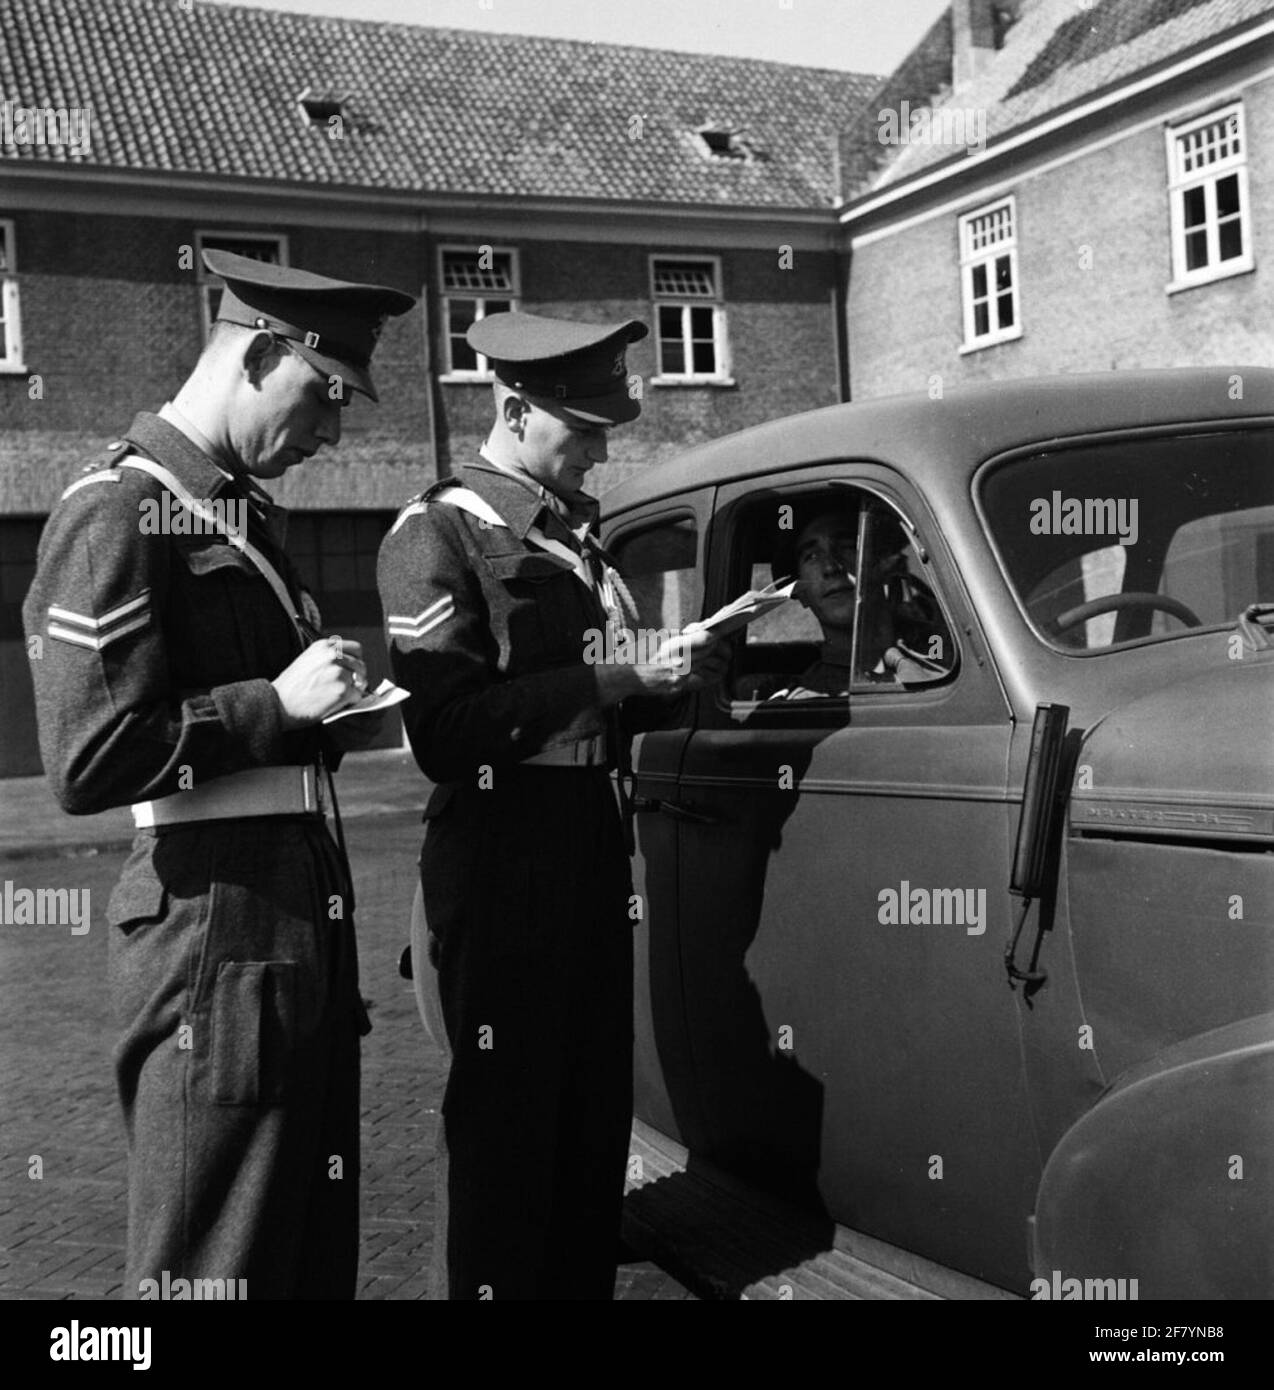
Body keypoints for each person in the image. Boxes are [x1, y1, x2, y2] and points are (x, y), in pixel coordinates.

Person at [22, 250, 415, 1298]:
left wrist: (333, 716)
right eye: (322, 398)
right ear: (255, 353)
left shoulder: (237, 520)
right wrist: (273, 705)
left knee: (300, 1250)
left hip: (283, 936)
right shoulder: (116, 507)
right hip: (212, 941)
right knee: (212, 1266)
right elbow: (88, 751)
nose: (331, 432)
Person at [378, 310, 726, 1300]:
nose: (603, 444)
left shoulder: (571, 532)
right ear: (516, 407)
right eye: (584, 423)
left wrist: (675, 671)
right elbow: (444, 731)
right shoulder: (438, 529)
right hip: (499, 846)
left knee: (586, 1128)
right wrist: (609, 682)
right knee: (505, 1138)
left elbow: (592, 685)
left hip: (583, 836)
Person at [762, 504, 950, 698]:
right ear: (801, 594)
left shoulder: (948, 649)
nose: (830, 568)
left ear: (884, 564)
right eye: (811, 556)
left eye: (848, 547)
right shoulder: (807, 702)